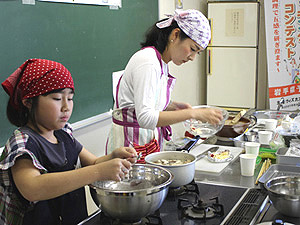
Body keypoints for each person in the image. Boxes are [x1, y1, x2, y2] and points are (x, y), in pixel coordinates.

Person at [0, 59, 137, 225]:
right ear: (28, 102)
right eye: (57, 98)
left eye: (70, 98)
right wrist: (98, 172)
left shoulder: (64, 134)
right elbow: (33, 188)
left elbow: (93, 162)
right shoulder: (22, 143)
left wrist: (113, 156)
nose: (66, 107)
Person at [106, 9, 223, 162]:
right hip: (129, 145)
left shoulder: (161, 62)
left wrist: (174, 106)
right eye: (193, 49)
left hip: (143, 141)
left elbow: (146, 101)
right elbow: (145, 118)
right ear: (175, 35)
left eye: (198, 53)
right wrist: (193, 114)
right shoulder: (148, 62)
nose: (193, 57)